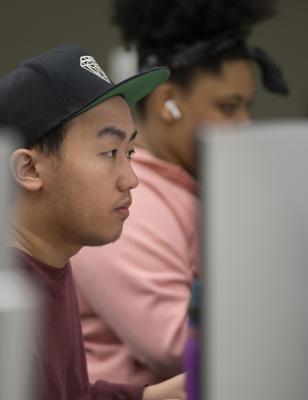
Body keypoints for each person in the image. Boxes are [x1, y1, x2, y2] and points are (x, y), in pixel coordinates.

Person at [71, 0, 289, 386]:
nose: (245, 124)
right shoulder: (129, 202)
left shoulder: (187, 185)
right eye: (228, 107)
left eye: (246, 107)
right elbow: (171, 345)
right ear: (167, 102)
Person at [0, 44, 186, 400]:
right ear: (29, 169)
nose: (131, 179)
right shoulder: (9, 304)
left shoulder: (51, 261)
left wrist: (157, 396)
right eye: (109, 153)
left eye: (129, 152)